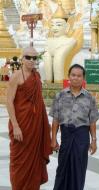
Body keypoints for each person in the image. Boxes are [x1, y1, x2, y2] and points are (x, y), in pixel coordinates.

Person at [6, 46, 52, 190]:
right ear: (22, 58)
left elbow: (39, 100)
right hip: (21, 124)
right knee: (19, 160)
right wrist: (16, 126)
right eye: (28, 57)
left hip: (35, 125)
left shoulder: (36, 76)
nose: (31, 60)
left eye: (34, 58)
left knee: (34, 159)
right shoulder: (16, 76)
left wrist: (45, 124)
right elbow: (8, 101)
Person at [50, 64, 99, 190]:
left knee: (79, 168)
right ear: (68, 77)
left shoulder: (89, 97)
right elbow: (55, 119)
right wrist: (53, 139)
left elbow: (92, 121)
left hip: (81, 138)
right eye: (73, 75)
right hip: (66, 137)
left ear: (83, 79)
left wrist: (94, 141)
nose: (76, 78)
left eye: (79, 76)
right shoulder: (60, 96)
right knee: (62, 168)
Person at [43, 2, 76, 83]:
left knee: (59, 55)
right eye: (52, 25)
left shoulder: (70, 40)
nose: (55, 28)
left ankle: (58, 85)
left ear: (67, 27)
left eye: (58, 25)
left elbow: (59, 56)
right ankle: (48, 83)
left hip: (62, 80)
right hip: (47, 80)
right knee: (46, 57)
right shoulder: (48, 41)